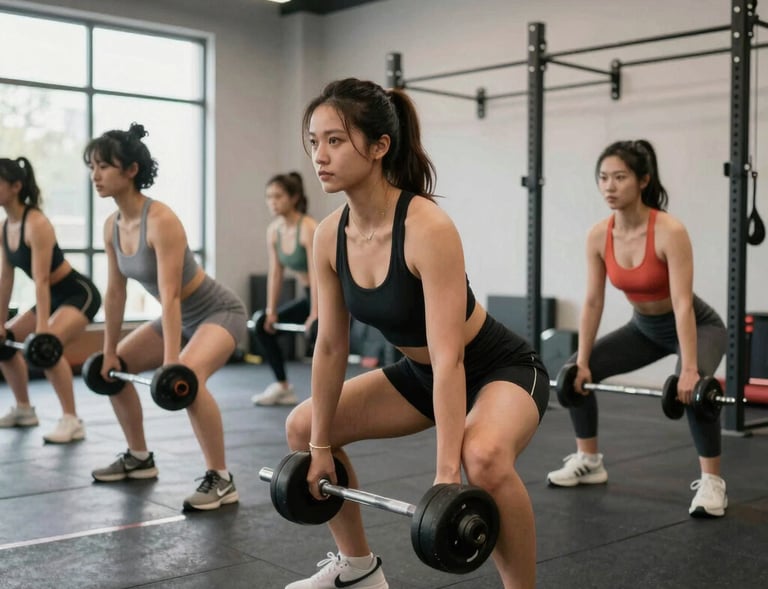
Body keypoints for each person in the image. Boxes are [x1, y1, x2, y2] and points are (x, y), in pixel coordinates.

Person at [282, 78, 549, 589]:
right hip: (421, 374)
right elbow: (332, 346)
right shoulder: (326, 236)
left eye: (335, 140)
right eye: (314, 141)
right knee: (303, 427)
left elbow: (451, 359)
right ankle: (358, 569)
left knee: (483, 457)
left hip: (496, 368)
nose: (320, 155)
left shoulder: (427, 228)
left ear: (380, 146)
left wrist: (447, 474)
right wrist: (319, 447)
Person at [545, 139, 728, 518]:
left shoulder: (669, 231)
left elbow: (682, 304)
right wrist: (581, 361)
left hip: (697, 325)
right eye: (603, 178)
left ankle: (712, 483)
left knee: (694, 391)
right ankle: (589, 460)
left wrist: (690, 368)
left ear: (643, 180)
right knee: (576, 372)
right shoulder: (599, 235)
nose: (609, 186)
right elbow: (593, 301)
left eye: (620, 177)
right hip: (643, 329)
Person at [83, 123, 247, 511]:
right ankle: (139, 457)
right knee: (116, 370)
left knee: (188, 380)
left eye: (104, 167)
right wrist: (108, 351)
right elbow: (116, 291)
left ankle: (221, 479)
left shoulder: (161, 220)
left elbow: (170, 296)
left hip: (218, 312)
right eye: (92, 166)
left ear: (131, 171)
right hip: (180, 317)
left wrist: (173, 363)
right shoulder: (112, 226)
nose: (95, 176)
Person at [0, 157, 101, 444]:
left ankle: (71, 420)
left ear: (16, 186)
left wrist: (43, 328)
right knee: (4, 343)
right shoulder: (5, 227)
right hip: (52, 296)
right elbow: (6, 279)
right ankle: (24, 409)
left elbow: (41, 280)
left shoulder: (37, 223)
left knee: (47, 347)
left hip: (78, 292)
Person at [250, 172, 318, 406]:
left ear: (294, 197)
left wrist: (316, 314)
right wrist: (271, 311)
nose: (272, 201)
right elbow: (276, 274)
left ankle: (327, 398)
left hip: (329, 296)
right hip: (309, 297)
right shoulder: (274, 231)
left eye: (278, 196)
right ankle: (283, 386)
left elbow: (318, 275)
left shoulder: (308, 227)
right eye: (269, 196)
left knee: (318, 330)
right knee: (261, 325)